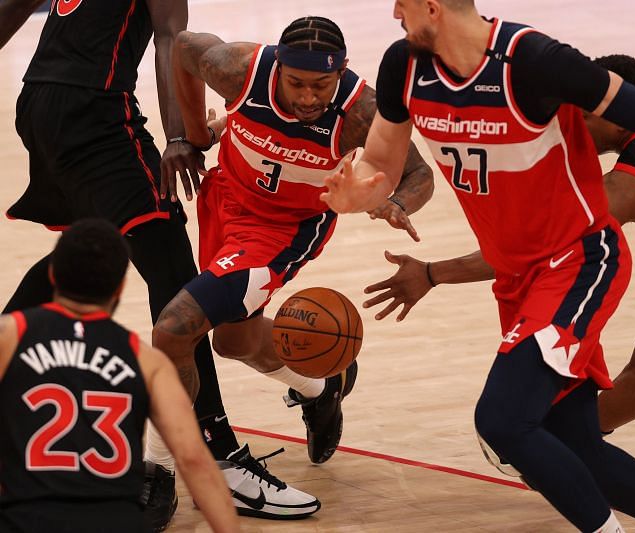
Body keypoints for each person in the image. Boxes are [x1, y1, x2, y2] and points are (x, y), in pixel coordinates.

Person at [319, 1, 635, 531]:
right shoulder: (403, 65)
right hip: (521, 278)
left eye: (402, 4)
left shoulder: (539, 68)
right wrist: (356, 195)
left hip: (584, 264)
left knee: (502, 422)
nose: (393, 12)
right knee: (570, 438)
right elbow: (382, 166)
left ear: (432, 7)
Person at [362, 56, 635, 440]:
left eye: (578, 115)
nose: (566, 124)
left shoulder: (624, 188)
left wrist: (432, 273)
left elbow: (524, 250)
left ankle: (571, 448)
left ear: (619, 114)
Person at [143, 15, 434, 521]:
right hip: (226, 200)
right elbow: (184, 47)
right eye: (296, 83)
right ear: (276, 66)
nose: (307, 96)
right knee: (231, 342)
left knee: (173, 329)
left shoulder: (361, 109)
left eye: (320, 84)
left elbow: (419, 173)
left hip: (279, 234)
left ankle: (160, 469)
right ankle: (322, 387)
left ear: (341, 71)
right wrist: (190, 135)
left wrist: (399, 204)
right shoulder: (241, 70)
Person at [0, 1, 236, 529]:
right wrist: (178, 136)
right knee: (173, 267)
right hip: (96, 110)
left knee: (89, 250)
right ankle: (211, 447)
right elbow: (171, 38)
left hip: (39, 104)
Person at [0, 219, 239, 533]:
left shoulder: (10, 336)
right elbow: (194, 460)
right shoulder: (147, 361)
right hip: (115, 520)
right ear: (120, 288)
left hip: (27, 517)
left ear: (52, 275)